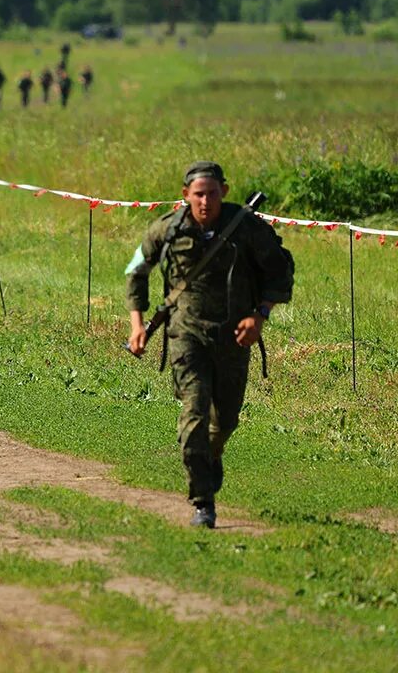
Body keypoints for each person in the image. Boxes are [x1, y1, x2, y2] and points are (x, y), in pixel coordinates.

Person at [125, 162, 294, 529]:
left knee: (225, 420)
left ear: (224, 192)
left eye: (212, 193)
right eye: (198, 194)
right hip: (186, 337)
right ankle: (203, 501)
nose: (205, 201)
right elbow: (136, 269)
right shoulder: (168, 229)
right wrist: (137, 324)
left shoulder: (245, 227)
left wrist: (260, 315)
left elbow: (280, 270)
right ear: (185, 195)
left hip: (235, 338)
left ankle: (210, 459)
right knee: (194, 416)